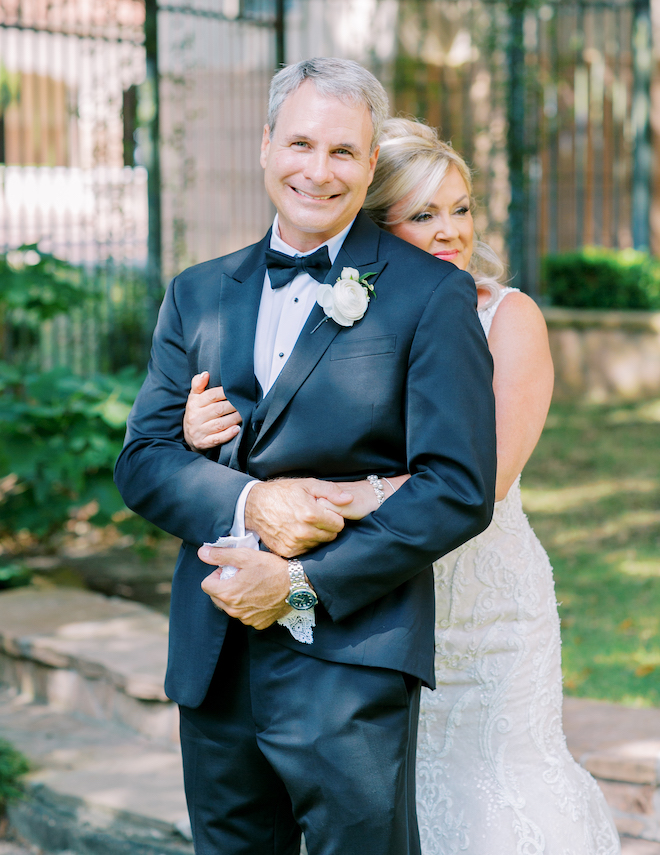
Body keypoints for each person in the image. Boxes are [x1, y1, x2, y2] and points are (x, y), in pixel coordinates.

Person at [184, 119, 621, 854]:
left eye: (461, 207)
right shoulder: (331, 307)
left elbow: (486, 477)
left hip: (478, 599)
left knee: (494, 787)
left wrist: (330, 495)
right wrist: (205, 429)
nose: (450, 230)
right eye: (422, 213)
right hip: (364, 597)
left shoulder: (506, 317)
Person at [114, 60, 497, 855]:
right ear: (265, 145)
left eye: (344, 153)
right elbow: (143, 460)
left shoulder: (430, 296)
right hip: (213, 658)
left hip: (350, 657)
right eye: (300, 143)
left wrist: (295, 582)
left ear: (368, 165)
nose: (318, 172)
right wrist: (252, 504)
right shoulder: (197, 293)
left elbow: (457, 489)